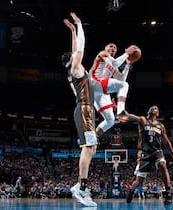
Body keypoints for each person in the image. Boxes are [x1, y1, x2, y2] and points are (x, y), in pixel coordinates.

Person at [60, 12, 97, 207]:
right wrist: (80, 24)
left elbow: (75, 49)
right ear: (72, 60)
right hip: (84, 109)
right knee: (88, 148)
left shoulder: (73, 70)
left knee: (92, 147)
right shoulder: (75, 68)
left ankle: (81, 186)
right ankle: (81, 188)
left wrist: (73, 31)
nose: (77, 56)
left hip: (85, 109)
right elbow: (80, 49)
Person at [125, 105, 173, 205]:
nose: (154, 108)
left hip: (157, 152)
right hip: (144, 153)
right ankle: (131, 191)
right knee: (139, 180)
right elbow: (130, 116)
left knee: (162, 165)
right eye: (152, 107)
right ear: (148, 111)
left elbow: (166, 142)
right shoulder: (143, 120)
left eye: (156, 108)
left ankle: (168, 193)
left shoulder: (161, 126)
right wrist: (122, 111)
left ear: (158, 114)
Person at [89, 43, 139, 137]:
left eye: (115, 47)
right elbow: (115, 63)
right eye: (111, 46)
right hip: (94, 82)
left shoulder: (114, 65)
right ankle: (120, 111)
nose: (113, 48)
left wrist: (127, 65)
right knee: (124, 85)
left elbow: (121, 79)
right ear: (105, 48)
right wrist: (127, 53)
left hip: (100, 92)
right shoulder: (103, 54)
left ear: (116, 52)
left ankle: (92, 138)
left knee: (110, 121)